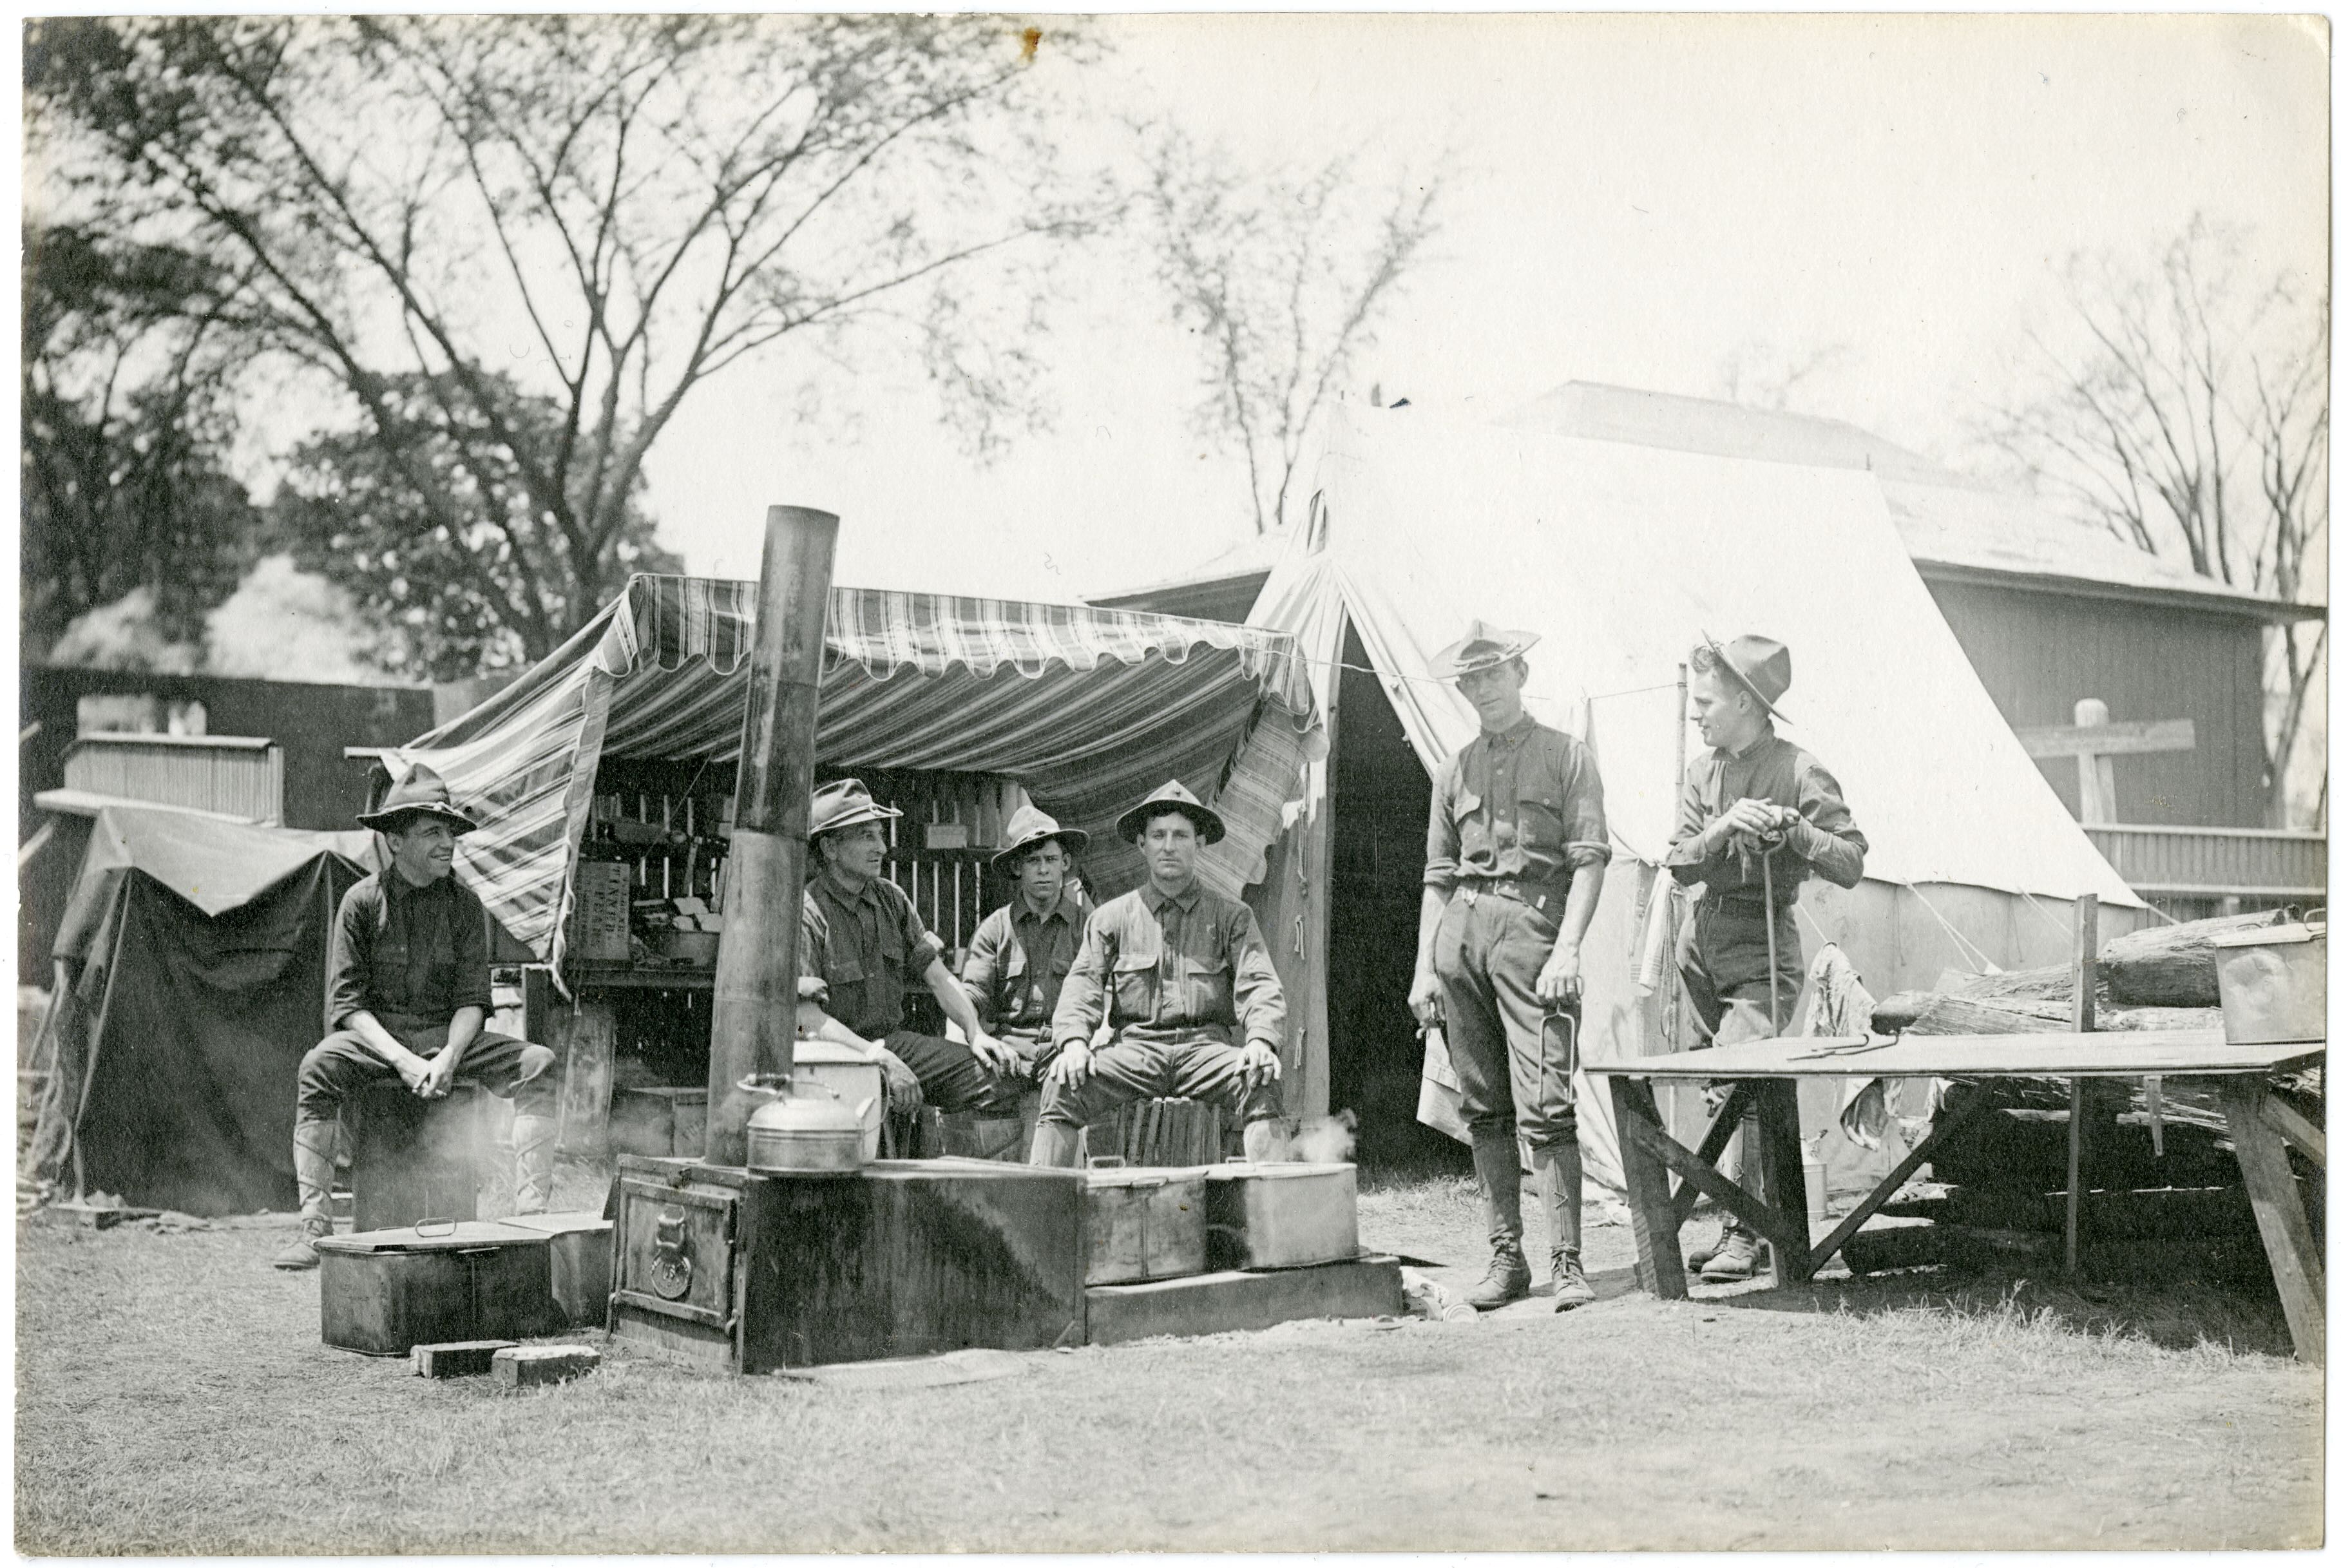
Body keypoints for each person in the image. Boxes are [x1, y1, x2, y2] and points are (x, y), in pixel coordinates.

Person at [273, 765, 559, 1270]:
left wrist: (449, 1056)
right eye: (433, 832)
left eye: (451, 832)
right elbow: (348, 1007)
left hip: (451, 1038)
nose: (448, 844)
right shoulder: (360, 903)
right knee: (317, 1067)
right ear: (395, 839)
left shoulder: (466, 907)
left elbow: (473, 1000)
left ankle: (532, 1217)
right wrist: (404, 1061)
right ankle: (314, 1231)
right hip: (378, 1043)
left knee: (538, 1063)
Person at [1407, 621, 1612, 1312]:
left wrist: (1570, 947)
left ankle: (1569, 1262)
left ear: (1521, 676)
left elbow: (1589, 860)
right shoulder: (1452, 769)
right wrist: (1423, 971)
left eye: (1494, 674)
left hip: (1534, 932)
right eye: (1470, 680)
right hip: (1460, 933)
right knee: (1482, 1107)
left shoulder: (1567, 756)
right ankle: (1507, 1259)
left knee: (1548, 1102)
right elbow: (1437, 877)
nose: (1482, 689)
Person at [1665, 633, 1868, 1282]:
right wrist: (1722, 827)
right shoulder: (1703, 772)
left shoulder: (1800, 768)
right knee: (1721, 1087)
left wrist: (1795, 828)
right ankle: (1742, 1218)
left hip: (1761, 942)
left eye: (1706, 702)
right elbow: (1677, 858)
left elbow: (1851, 862)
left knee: (1746, 1088)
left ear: (1748, 703)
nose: (1696, 714)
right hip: (1700, 942)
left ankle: (1744, 1234)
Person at [1031, 779, 1286, 1168]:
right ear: (1142, 845)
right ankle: (1045, 1221)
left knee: (1261, 1079)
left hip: (1207, 1051)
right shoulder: (1111, 918)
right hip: (1135, 1052)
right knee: (1062, 1083)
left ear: (1199, 844)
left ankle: (1271, 1220)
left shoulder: (1232, 916)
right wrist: (1073, 1043)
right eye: (1159, 835)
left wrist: (1262, 1041)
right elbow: (1083, 985)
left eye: (1181, 835)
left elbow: (1259, 984)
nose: (1169, 846)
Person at [799, 778, 1022, 1125]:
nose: (882, 848)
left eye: (879, 834)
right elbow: (807, 1018)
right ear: (829, 848)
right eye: (867, 836)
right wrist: (878, 1058)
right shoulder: (807, 912)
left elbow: (939, 978)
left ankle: (945, 1167)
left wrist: (975, 1032)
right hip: (835, 1055)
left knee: (999, 1078)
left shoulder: (891, 899)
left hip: (892, 1044)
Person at [960, 805, 1094, 1084]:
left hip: (1067, 1050)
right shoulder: (995, 929)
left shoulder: (1089, 927)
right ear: (1017, 867)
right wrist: (975, 1034)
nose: (1044, 869)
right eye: (1033, 861)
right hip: (1009, 1055)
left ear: (1066, 863)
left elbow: (1105, 994)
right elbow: (972, 995)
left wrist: (1082, 1045)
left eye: (1051, 859)